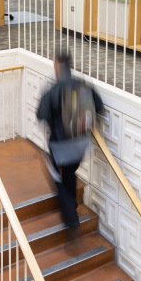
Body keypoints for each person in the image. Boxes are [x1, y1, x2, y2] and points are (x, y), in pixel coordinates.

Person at [37, 53, 103, 230]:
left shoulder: (54, 89)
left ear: (56, 65)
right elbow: (99, 106)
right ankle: (72, 205)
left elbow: (41, 114)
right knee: (69, 173)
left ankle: (71, 218)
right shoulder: (83, 86)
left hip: (60, 147)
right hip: (81, 144)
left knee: (55, 176)